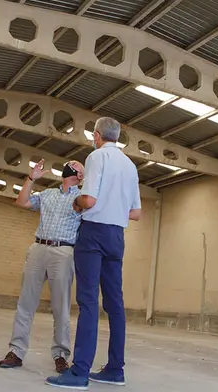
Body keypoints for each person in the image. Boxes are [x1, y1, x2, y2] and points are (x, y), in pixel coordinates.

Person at [46, 117, 142, 390]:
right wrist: (114, 206)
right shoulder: (130, 165)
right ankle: (115, 369)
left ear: (97, 135)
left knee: (88, 302)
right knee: (115, 304)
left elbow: (88, 200)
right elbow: (136, 213)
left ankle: (79, 372)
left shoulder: (97, 157)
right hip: (116, 236)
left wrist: (77, 203)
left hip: (94, 234)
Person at [0, 159, 85, 374]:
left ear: (81, 175)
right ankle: (16, 352)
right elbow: (22, 202)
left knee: (60, 306)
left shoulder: (82, 199)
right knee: (26, 302)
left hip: (64, 251)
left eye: (75, 164)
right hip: (39, 248)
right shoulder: (47, 194)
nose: (69, 164)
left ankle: (61, 355)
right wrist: (30, 179)